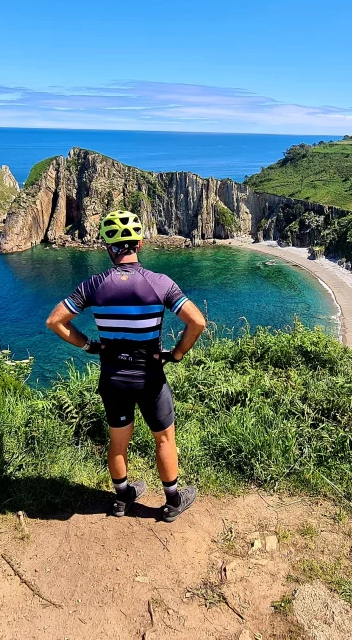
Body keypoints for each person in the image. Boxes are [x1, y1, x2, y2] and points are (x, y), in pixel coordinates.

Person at [45, 210, 208, 521]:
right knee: (163, 438)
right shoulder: (159, 283)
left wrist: (90, 345)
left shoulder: (93, 285)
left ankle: (122, 499)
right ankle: (172, 502)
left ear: (109, 247)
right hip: (150, 378)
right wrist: (176, 354)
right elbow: (197, 322)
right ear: (139, 244)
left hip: (113, 379)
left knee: (118, 441)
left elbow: (55, 321)